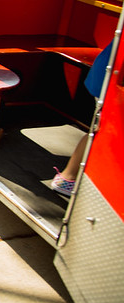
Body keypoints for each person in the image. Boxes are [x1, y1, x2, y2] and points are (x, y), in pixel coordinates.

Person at [50, 40, 113, 196]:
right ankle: (67, 177)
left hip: (107, 74)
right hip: (109, 78)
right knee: (101, 129)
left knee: (100, 128)